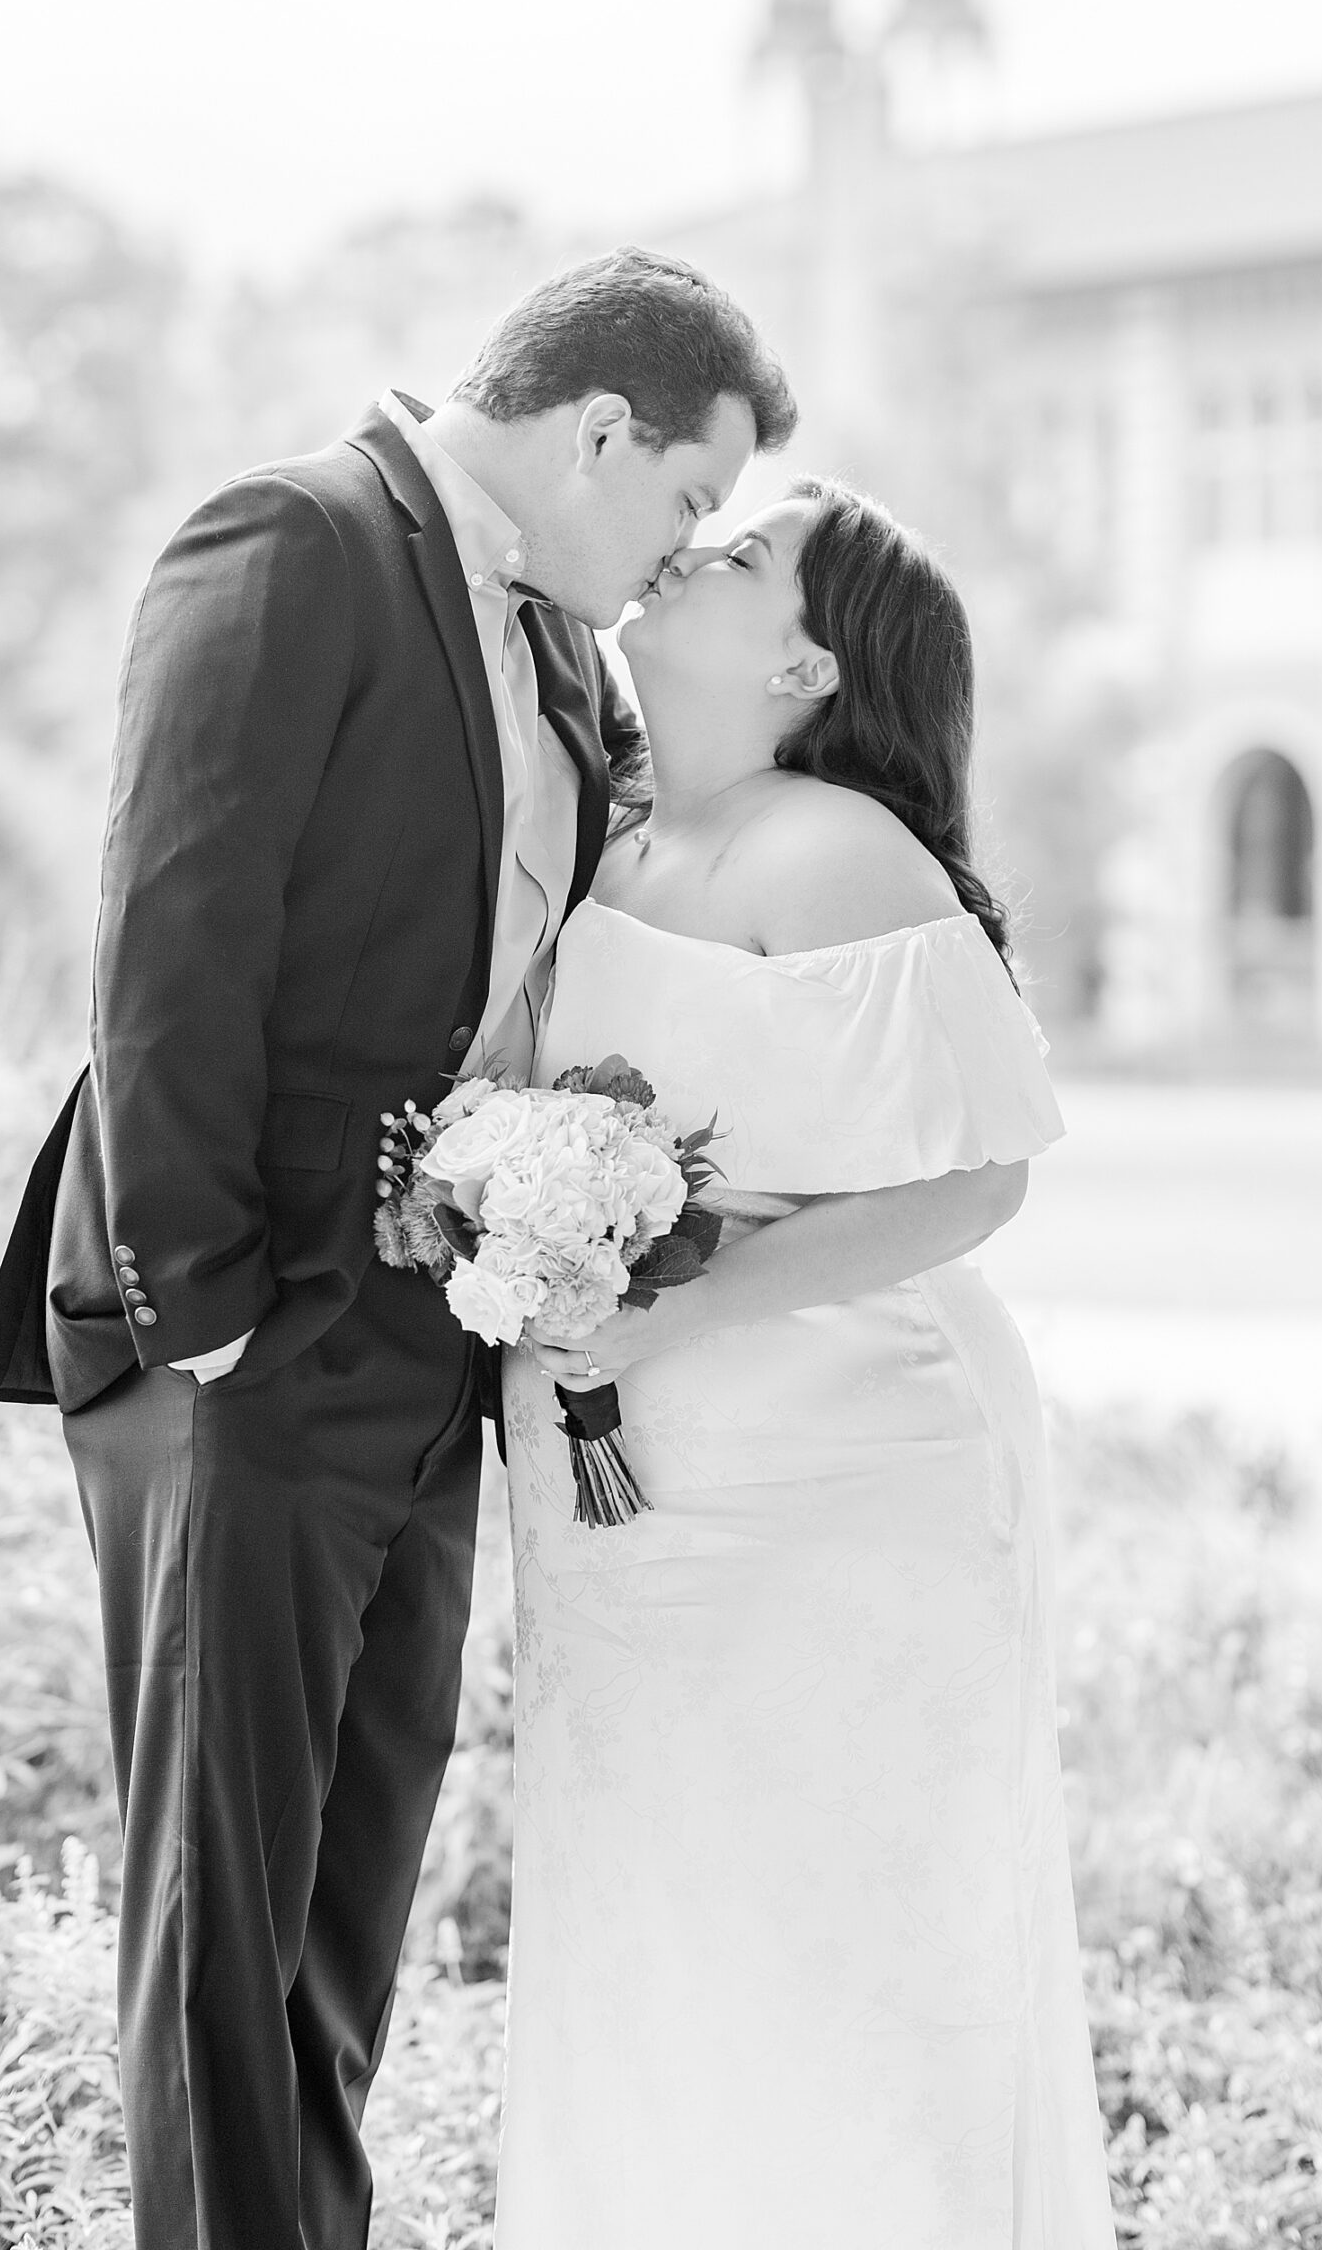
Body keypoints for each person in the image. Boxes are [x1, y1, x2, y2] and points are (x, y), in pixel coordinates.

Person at [0, 246, 796, 2250]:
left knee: (344, 1922)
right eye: (688, 500)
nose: (684, 550)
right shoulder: (290, 537)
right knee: (219, 1925)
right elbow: (171, 935)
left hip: (437, 1346)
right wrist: (205, 1319)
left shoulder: (571, 663)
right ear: (602, 431)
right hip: (244, 1335)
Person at [503, 479, 1116, 2247]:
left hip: (845, 1471)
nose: (699, 545)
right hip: (624, 1473)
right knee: (660, 1915)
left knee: (842, 1930)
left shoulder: (831, 848)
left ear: (804, 664)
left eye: (750, 548)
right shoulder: (608, 831)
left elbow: (978, 1175)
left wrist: (674, 1315)